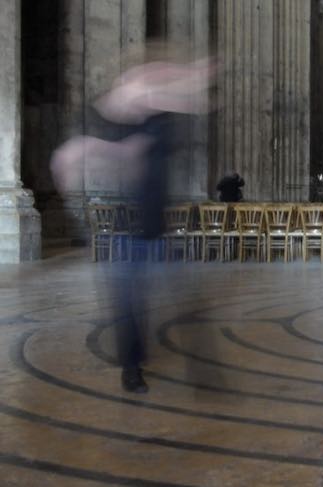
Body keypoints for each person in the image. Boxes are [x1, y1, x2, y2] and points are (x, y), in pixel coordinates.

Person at [51, 45, 215, 392]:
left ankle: (202, 370)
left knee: (184, 297)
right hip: (127, 230)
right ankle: (133, 368)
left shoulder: (161, 122)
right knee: (128, 302)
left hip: (157, 227)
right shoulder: (113, 119)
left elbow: (173, 103)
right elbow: (122, 149)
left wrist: (194, 81)